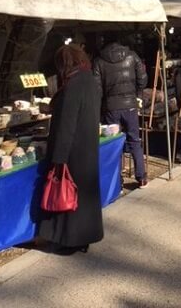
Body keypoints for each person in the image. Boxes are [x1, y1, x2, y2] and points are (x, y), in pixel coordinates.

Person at [38, 44, 103, 254]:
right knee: (84, 197)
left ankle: (67, 239)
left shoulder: (73, 84)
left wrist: (58, 158)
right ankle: (84, 237)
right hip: (88, 148)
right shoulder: (90, 80)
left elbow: (66, 125)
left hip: (73, 151)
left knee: (68, 196)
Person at [93, 33, 148, 187]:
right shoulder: (132, 56)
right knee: (134, 140)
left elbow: (97, 90)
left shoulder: (98, 61)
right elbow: (143, 79)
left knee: (114, 141)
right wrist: (136, 94)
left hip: (111, 108)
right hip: (130, 105)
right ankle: (141, 177)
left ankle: (117, 180)